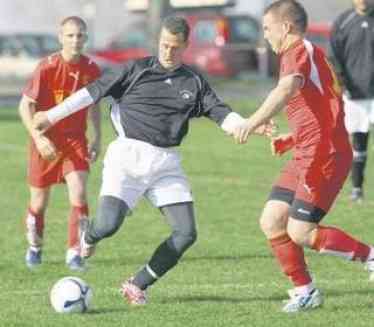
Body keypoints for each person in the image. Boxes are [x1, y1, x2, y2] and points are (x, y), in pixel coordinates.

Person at [32, 15, 273, 304]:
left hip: (165, 164)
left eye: (174, 47)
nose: (167, 52)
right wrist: (51, 115)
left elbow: (220, 113)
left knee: (186, 233)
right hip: (127, 157)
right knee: (108, 225)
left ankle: (138, 284)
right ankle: (89, 234)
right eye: (163, 44)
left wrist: (249, 125)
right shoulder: (134, 70)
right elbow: (90, 94)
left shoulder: (193, 82)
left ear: (185, 45)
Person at [233, 0, 374, 313]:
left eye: (267, 28)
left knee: (300, 231)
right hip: (307, 152)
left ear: (286, 27)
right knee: (271, 220)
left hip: (325, 155)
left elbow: (285, 91)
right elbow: (325, 108)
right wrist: (294, 137)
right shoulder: (300, 55)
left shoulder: (299, 51)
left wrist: (251, 121)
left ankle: (371, 258)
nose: (265, 35)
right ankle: (305, 291)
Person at [19, 16, 101, 271]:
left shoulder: (91, 69)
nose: (75, 40)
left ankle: (74, 254)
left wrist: (97, 136)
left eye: (80, 35)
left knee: (78, 193)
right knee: (39, 203)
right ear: (60, 37)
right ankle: (35, 247)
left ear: (85, 38)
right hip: (46, 142)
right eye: (70, 35)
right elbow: (25, 106)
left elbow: (95, 104)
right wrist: (39, 137)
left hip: (75, 141)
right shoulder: (46, 67)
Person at [329, 0, 374, 203]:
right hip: (355, 94)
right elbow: (334, 57)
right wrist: (342, 84)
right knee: (358, 142)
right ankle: (357, 189)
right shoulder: (343, 21)